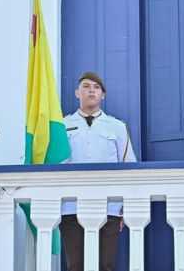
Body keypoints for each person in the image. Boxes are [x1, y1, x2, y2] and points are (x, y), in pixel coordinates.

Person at [60, 71, 136, 271]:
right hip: (71, 206)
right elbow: (55, 166)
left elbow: (128, 167)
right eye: (86, 86)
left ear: (103, 95)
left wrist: (124, 208)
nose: (91, 90)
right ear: (77, 93)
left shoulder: (117, 127)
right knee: (75, 265)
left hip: (108, 206)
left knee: (105, 265)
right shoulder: (62, 125)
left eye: (96, 87)